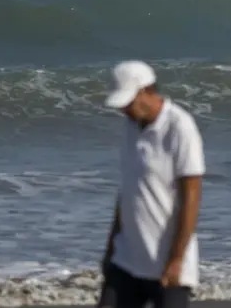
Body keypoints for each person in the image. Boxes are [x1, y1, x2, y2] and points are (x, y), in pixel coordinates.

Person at [98, 60, 205, 308]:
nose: (124, 109)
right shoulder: (130, 127)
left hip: (166, 262)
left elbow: (192, 196)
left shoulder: (179, 127)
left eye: (128, 102)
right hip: (126, 259)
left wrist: (177, 258)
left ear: (146, 91)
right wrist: (111, 246)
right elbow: (127, 192)